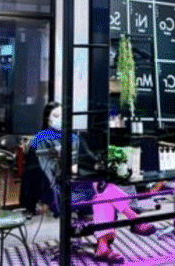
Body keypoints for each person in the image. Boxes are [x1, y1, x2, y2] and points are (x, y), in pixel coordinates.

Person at [30, 102, 155, 264]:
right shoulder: (41, 138)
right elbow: (47, 171)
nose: (60, 119)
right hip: (61, 190)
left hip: (82, 186)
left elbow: (87, 159)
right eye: (55, 116)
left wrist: (88, 165)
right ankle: (133, 219)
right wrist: (69, 167)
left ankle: (103, 247)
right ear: (47, 118)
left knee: (102, 194)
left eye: (63, 115)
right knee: (104, 190)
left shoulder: (73, 136)